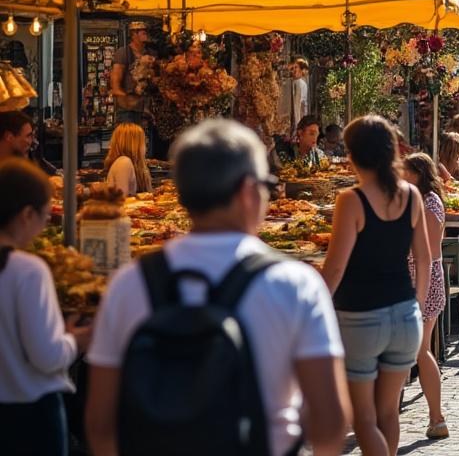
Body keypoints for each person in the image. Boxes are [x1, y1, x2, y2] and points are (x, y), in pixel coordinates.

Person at [85, 120, 349, 456]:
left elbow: (99, 423)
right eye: (267, 184)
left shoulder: (128, 284)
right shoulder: (296, 285)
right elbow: (330, 423)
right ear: (247, 190)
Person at [322, 115, 431, 456]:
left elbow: (336, 266)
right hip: (404, 315)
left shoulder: (351, 200)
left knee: (364, 418)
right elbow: (425, 260)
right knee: (388, 412)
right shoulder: (411, 195)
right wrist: (416, 302)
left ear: (352, 155)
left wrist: (314, 308)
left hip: (360, 315)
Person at [0, 159, 89, 456]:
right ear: (26, 215)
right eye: (46, 213)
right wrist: (78, 339)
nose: (47, 221)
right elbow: (48, 357)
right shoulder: (27, 270)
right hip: (28, 415)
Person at [400, 153, 450, 440]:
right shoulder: (416, 200)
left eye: (405, 171)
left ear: (418, 173)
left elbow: (427, 252)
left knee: (421, 350)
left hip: (423, 280)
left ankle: (437, 416)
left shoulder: (430, 202)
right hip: (412, 279)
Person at [108, 21, 149, 124]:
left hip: (142, 108)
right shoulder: (124, 52)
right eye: (142, 32)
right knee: (129, 137)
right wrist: (125, 99)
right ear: (134, 34)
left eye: (145, 31)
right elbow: (115, 82)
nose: (146, 34)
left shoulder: (146, 53)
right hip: (127, 110)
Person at [104, 122, 152, 196]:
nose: (145, 145)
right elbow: (122, 200)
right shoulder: (123, 162)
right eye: (143, 140)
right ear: (134, 144)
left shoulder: (126, 162)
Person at [286, 58, 310, 135]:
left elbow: (297, 105)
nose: (294, 71)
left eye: (296, 68)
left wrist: (297, 125)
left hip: (297, 118)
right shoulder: (296, 82)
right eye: (293, 68)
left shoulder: (299, 84)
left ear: (301, 70)